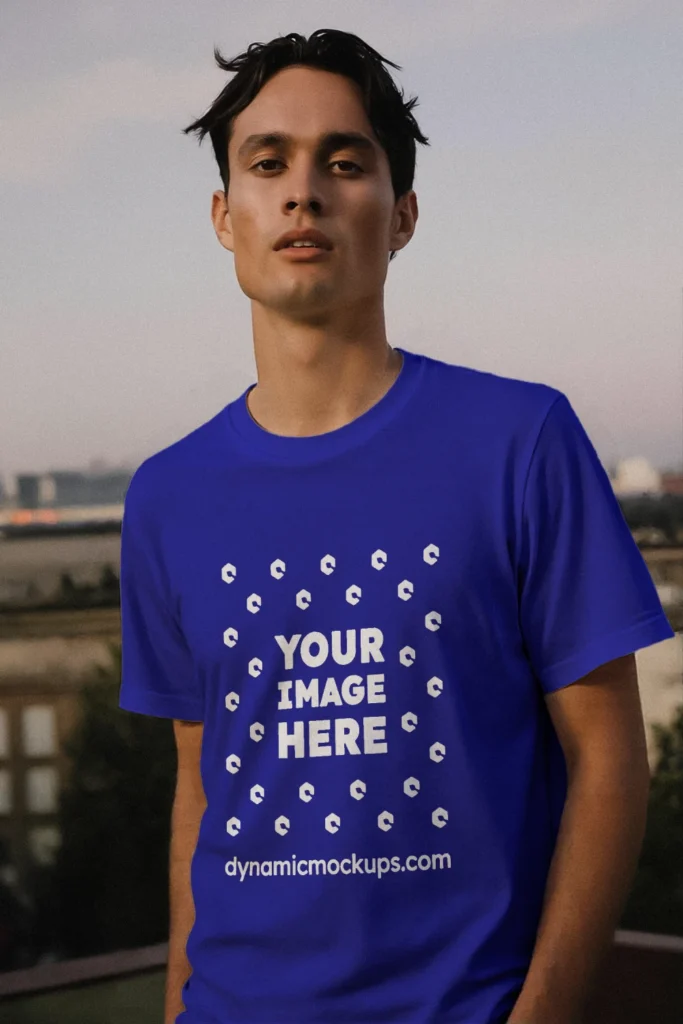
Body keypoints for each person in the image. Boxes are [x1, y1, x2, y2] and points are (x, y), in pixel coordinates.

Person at [118, 28, 675, 1024]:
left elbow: (606, 759)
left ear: (402, 213)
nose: (302, 192)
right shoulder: (166, 494)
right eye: (266, 163)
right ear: (223, 215)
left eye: (343, 161)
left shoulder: (520, 439)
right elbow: (200, 791)